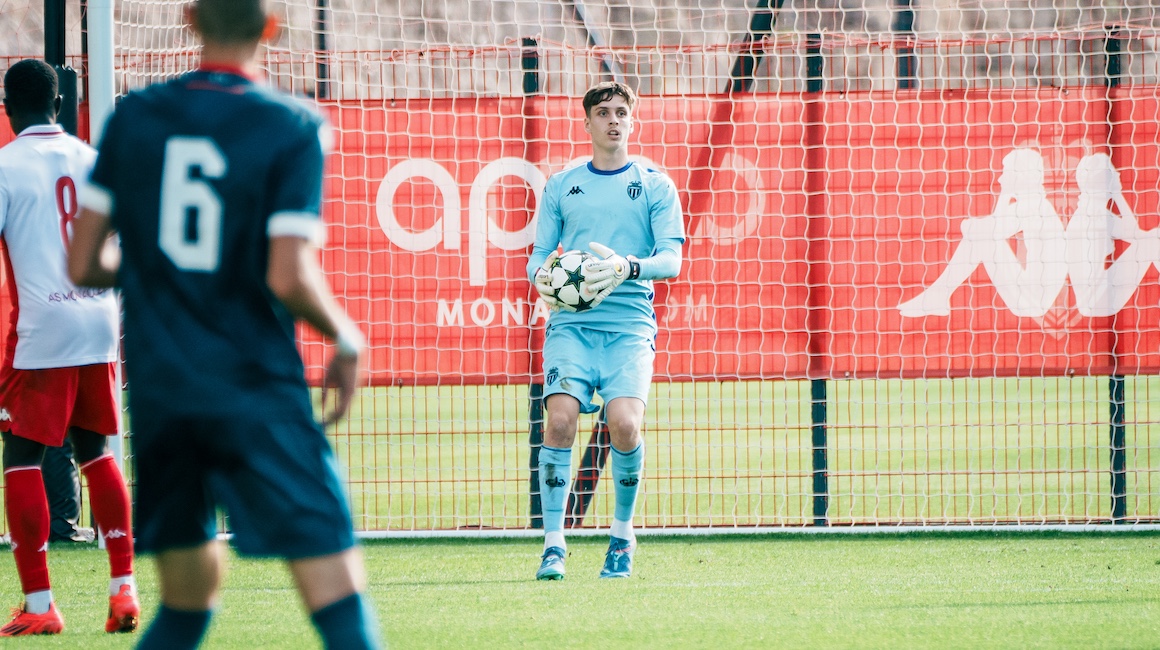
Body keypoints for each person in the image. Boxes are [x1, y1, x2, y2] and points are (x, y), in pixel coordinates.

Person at [67, 1, 381, 648]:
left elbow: (84, 262)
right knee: (337, 592)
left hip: (163, 394)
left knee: (186, 604)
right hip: (254, 389)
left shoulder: (133, 117)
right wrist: (346, 337)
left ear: (189, 19)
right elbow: (287, 275)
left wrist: (162, 269)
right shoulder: (292, 124)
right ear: (272, 27)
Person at [0, 59, 139, 636]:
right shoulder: (94, 158)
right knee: (98, 453)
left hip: (43, 326)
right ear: (60, 105)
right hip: (100, 322)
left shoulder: (5, 166)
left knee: (22, 459)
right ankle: (123, 591)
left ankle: (39, 606)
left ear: (7, 111)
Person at [526, 81, 684, 580]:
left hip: (629, 325)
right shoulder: (562, 183)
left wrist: (628, 268)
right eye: (602, 112)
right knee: (560, 422)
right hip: (571, 325)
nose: (613, 120)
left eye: (621, 112)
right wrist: (544, 281)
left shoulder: (656, 184)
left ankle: (621, 536)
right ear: (588, 122)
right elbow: (537, 256)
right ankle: (554, 545)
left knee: (626, 425)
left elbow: (672, 259)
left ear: (632, 121)